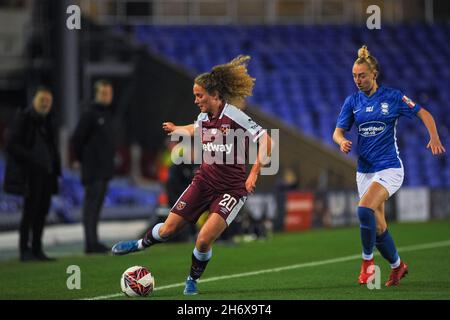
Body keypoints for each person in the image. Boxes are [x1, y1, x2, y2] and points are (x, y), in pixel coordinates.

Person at [111, 55, 273, 295]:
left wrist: (254, 173)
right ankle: (139, 244)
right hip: (204, 181)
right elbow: (196, 127)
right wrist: (178, 129)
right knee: (167, 230)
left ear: (215, 95)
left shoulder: (234, 116)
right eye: (195, 95)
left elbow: (266, 140)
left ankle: (192, 279)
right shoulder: (204, 116)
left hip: (231, 190)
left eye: (200, 95)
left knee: (203, 240)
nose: (196, 100)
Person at [333, 45, 446, 286]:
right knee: (378, 227)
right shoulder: (352, 101)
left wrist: (434, 137)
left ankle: (366, 264)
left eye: (362, 75)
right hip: (364, 171)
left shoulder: (393, 97)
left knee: (364, 210)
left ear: (374, 74)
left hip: (389, 168)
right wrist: (342, 141)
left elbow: (424, 113)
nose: (357, 80)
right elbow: (337, 131)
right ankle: (397, 266)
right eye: (354, 75)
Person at [3, 87, 61, 262]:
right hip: (30, 174)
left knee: (42, 211)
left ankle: (37, 248)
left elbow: (51, 148)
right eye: (42, 100)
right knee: (30, 212)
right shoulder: (24, 118)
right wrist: (32, 158)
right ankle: (24, 250)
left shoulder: (48, 120)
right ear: (34, 100)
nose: (45, 104)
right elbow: (11, 145)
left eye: (48, 101)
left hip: (46, 174)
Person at [72, 79, 116, 254]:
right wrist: (85, 160)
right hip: (93, 170)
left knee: (96, 207)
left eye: (109, 93)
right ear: (96, 94)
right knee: (91, 207)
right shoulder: (89, 113)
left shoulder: (106, 114)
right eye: (103, 93)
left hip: (104, 170)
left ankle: (94, 241)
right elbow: (77, 139)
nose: (106, 96)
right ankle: (90, 243)